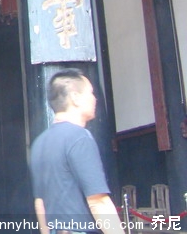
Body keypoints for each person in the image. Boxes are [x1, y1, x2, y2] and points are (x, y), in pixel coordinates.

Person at [29, 69, 123, 234]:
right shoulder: (79, 137)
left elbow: (40, 203)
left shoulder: (39, 143)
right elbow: (98, 201)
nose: (94, 98)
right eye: (91, 93)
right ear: (75, 97)